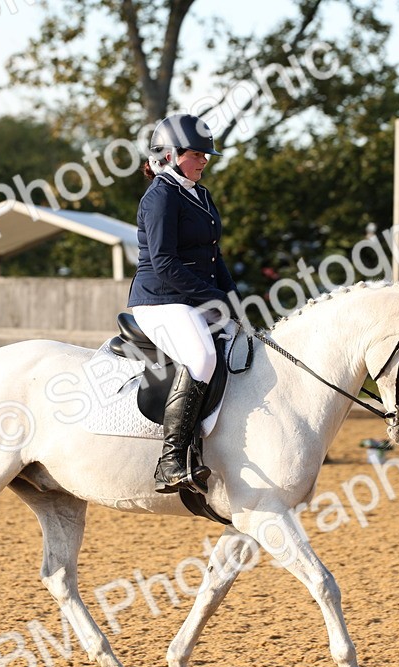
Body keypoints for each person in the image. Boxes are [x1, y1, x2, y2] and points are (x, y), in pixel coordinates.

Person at [128, 113, 239, 495]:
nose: (205, 160)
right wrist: (213, 297)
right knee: (202, 357)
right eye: (197, 154)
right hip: (160, 299)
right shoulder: (160, 196)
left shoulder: (200, 194)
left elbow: (214, 254)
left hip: (192, 297)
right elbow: (164, 263)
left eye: (207, 155)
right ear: (172, 155)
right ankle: (171, 461)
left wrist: (233, 297)